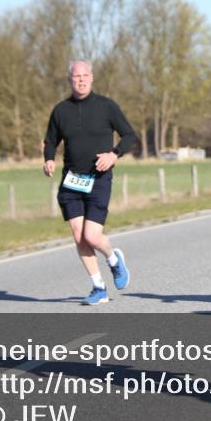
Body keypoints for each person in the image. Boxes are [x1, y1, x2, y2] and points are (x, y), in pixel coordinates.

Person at [43, 60, 138, 305]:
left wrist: (113, 154)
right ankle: (98, 287)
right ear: (70, 80)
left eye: (85, 75)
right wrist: (49, 160)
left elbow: (130, 135)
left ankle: (114, 259)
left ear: (92, 78)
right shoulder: (61, 110)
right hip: (72, 181)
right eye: (76, 77)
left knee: (93, 237)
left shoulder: (106, 106)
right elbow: (51, 140)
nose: (81, 80)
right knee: (78, 236)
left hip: (99, 179)